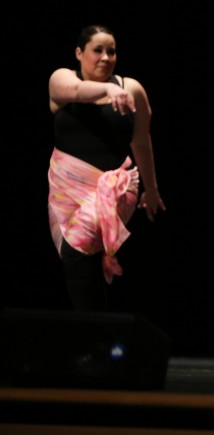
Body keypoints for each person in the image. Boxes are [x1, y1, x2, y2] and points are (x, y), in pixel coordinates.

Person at [47, 24, 166, 311]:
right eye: (97, 50)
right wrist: (106, 89)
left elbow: (141, 142)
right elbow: (75, 90)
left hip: (117, 186)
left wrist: (151, 190)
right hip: (66, 187)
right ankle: (98, 335)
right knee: (77, 261)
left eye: (111, 51)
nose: (105, 57)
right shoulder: (61, 78)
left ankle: (93, 336)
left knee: (78, 249)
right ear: (79, 53)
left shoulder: (131, 88)